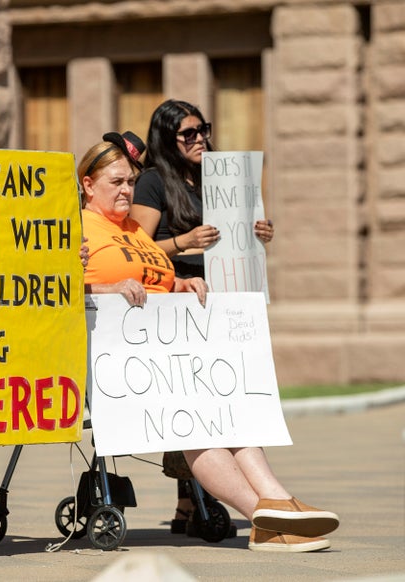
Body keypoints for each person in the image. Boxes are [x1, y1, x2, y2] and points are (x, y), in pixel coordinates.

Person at [79, 132, 339, 552]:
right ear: (88, 184)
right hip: (118, 364)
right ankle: (263, 517)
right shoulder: (77, 229)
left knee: (227, 403)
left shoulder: (133, 229)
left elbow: (156, 279)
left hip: (167, 352)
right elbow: (52, 291)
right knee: (193, 416)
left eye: (131, 181)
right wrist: (109, 291)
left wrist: (181, 283)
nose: (127, 189)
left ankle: (279, 501)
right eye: (116, 182)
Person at [129, 99, 275, 537]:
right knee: (195, 406)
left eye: (202, 130)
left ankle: (189, 506)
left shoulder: (221, 176)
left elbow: (233, 235)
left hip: (222, 302)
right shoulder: (154, 182)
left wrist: (258, 232)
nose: (199, 139)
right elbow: (137, 247)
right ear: (166, 140)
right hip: (178, 304)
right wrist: (184, 241)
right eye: (187, 134)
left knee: (217, 401)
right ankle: (202, 499)